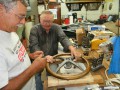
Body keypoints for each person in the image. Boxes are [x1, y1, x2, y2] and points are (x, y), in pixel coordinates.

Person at [0, 0, 48, 90]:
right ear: (1, 9)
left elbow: (12, 56)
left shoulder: (11, 31)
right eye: (20, 16)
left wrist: (29, 56)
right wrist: (33, 69)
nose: (23, 22)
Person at [29, 10, 80, 90]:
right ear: (40, 19)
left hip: (53, 58)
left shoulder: (56, 27)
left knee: (54, 75)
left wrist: (71, 48)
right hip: (38, 59)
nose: (47, 23)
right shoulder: (34, 29)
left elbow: (63, 38)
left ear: (53, 20)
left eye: (50, 21)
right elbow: (34, 46)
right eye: (45, 21)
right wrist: (44, 57)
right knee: (36, 77)